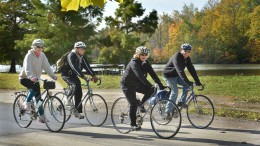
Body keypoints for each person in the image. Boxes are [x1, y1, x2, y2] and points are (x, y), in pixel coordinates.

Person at [120, 46, 165, 131]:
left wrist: (161, 85)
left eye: (146, 54)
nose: (144, 56)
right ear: (137, 54)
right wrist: (150, 85)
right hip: (127, 85)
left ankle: (141, 105)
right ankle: (133, 124)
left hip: (136, 83)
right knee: (133, 104)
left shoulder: (145, 62)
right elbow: (140, 76)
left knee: (152, 90)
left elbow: (153, 75)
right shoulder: (134, 63)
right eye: (142, 54)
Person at [19, 39, 57, 123]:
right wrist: (31, 76)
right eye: (38, 47)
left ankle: (42, 117)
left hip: (35, 79)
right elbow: (27, 68)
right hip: (25, 78)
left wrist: (53, 76)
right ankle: (26, 103)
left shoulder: (42, 55)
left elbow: (47, 67)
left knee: (39, 99)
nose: (40, 49)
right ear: (34, 47)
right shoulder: (29, 55)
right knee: (35, 86)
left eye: (42, 47)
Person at [60, 41, 98, 119]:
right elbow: (74, 67)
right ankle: (67, 99)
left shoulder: (82, 57)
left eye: (84, 49)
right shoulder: (71, 55)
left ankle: (77, 111)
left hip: (74, 76)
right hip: (66, 75)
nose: (83, 50)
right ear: (76, 49)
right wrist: (83, 76)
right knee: (76, 84)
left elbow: (87, 67)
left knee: (79, 91)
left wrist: (94, 75)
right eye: (82, 49)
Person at [163, 43, 202, 113]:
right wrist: (187, 81)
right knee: (175, 91)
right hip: (169, 76)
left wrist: (197, 81)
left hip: (176, 75)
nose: (187, 53)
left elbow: (191, 70)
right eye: (185, 51)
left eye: (189, 51)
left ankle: (181, 102)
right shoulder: (176, 57)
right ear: (181, 50)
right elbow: (180, 71)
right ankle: (168, 112)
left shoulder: (187, 58)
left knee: (187, 86)